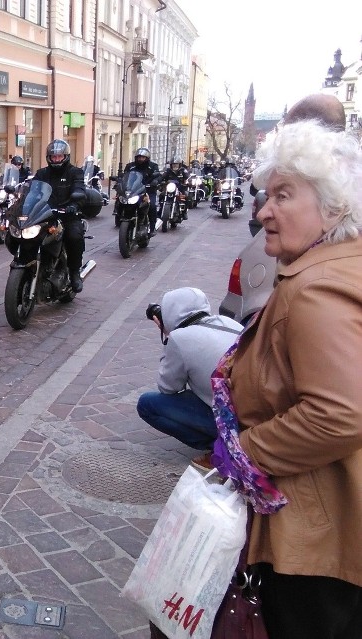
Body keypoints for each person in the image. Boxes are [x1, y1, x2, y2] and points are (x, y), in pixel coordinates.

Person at [215, 119, 362, 637]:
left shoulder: (315, 288)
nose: (264, 211)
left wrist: (243, 452)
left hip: (313, 540)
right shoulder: (332, 267)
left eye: (283, 195)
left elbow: (340, 413)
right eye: (265, 194)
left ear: (334, 206)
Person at [136, 288, 242, 469]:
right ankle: (231, 445)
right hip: (255, 413)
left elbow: (168, 388)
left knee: (147, 404)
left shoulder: (179, 338)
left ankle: (222, 449)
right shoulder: (229, 322)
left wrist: (170, 339)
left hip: (232, 421)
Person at [31, 139, 88, 293]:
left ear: (66, 156)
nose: (56, 160)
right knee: (28, 235)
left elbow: (80, 191)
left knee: (74, 237)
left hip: (67, 215)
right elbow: (32, 191)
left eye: (59, 157)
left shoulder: (75, 172)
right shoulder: (42, 173)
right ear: (48, 158)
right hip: (45, 215)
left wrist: (74, 206)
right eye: (53, 157)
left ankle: (74, 272)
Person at [122, 147, 161, 236]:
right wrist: (120, 181)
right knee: (122, 201)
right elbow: (125, 176)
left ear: (147, 158)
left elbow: (158, 176)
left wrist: (155, 181)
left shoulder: (153, 166)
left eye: (143, 157)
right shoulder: (130, 166)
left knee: (152, 206)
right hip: (134, 190)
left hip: (148, 190)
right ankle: (121, 218)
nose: (140, 159)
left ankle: (152, 227)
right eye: (139, 157)